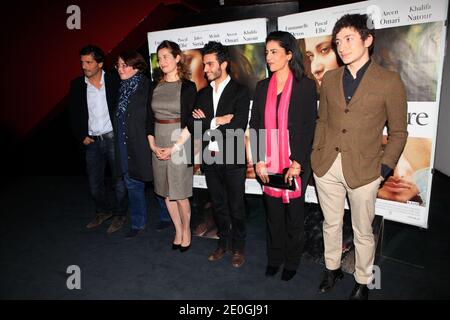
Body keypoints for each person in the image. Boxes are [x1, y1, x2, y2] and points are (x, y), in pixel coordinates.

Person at [311, 14, 408, 300]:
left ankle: (363, 280)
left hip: (366, 170)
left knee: (362, 230)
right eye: (338, 41)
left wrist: (383, 169)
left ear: (368, 40)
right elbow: (323, 121)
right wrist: (316, 154)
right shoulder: (329, 79)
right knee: (330, 223)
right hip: (326, 164)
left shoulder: (389, 81)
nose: (342, 46)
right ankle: (332, 268)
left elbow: (399, 132)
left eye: (349, 39)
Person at [249, 31, 317, 281]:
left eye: (274, 51)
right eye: (266, 52)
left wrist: (298, 161)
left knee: (294, 218)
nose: (268, 57)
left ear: (289, 54)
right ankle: (274, 258)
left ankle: (292, 260)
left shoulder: (306, 86)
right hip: (267, 162)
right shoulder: (262, 86)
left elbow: (310, 126)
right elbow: (255, 124)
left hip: (294, 162)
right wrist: (257, 159)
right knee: (273, 217)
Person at [191, 41, 250, 268]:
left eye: (209, 64)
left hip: (233, 158)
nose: (205, 69)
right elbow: (194, 127)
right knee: (218, 205)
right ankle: (223, 243)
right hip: (210, 158)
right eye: (204, 64)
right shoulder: (203, 93)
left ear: (223, 64)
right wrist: (216, 121)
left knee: (236, 206)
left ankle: (239, 247)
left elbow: (238, 126)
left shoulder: (240, 91)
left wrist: (206, 123)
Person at [69, 44, 127, 234]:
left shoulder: (114, 81)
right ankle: (103, 211)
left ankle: (120, 214)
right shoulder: (77, 85)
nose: (84, 66)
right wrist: (81, 136)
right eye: (82, 62)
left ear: (100, 64)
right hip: (92, 142)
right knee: (95, 184)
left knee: (119, 180)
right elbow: (74, 114)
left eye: (89, 62)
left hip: (112, 138)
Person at [147, 40, 197, 251]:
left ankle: (187, 231)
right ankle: (177, 229)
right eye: (159, 58)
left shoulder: (188, 87)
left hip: (180, 141)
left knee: (180, 193)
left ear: (177, 58)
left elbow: (192, 121)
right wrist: (152, 144)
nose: (162, 61)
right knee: (166, 192)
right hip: (158, 141)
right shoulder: (154, 85)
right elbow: (148, 118)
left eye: (166, 56)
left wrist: (174, 147)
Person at [113, 51, 154, 239]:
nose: (120, 69)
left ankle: (166, 217)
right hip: (124, 144)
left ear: (136, 67)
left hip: (144, 144)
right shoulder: (121, 88)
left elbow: (152, 117)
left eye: (124, 65)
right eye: (118, 66)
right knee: (132, 185)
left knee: (158, 183)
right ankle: (138, 223)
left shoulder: (148, 87)